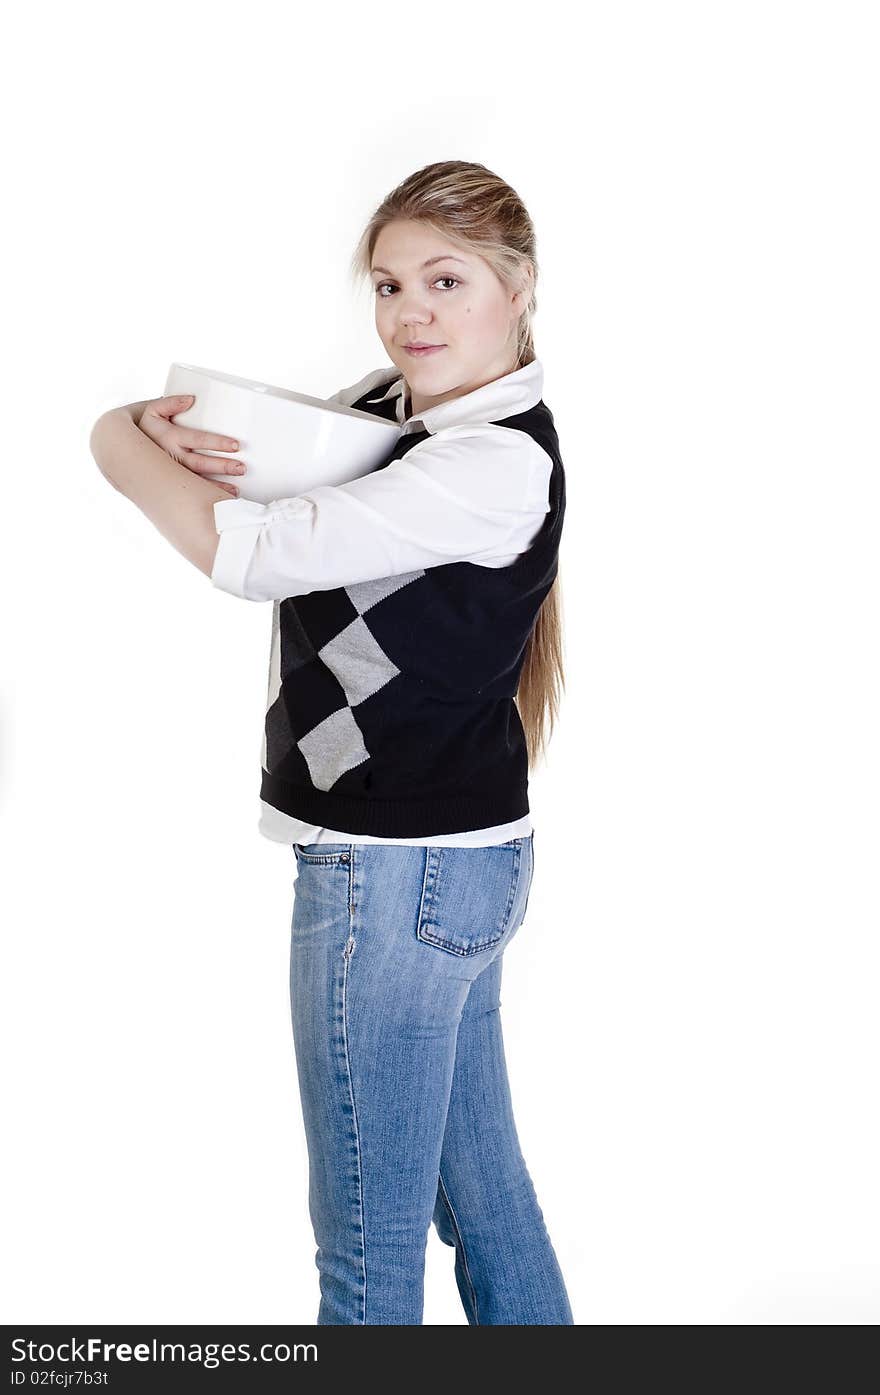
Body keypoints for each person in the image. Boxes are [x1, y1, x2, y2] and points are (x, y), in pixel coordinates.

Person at [90, 159, 572, 1325]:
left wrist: (111, 438)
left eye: (446, 281)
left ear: (518, 288)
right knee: (486, 1203)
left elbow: (246, 553)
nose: (411, 313)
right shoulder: (393, 413)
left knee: (366, 1257)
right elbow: (274, 475)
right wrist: (175, 440)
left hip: (396, 879)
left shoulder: (491, 461)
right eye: (390, 283)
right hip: (445, 868)